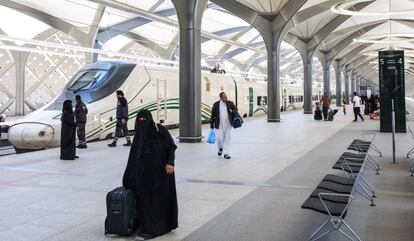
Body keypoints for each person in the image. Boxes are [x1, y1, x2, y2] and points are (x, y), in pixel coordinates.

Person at [122, 109, 178, 240]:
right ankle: (147, 227)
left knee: (159, 201)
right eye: (139, 120)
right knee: (145, 202)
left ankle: (159, 227)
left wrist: (170, 163)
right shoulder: (138, 138)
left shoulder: (159, 130)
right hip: (144, 177)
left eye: (144, 120)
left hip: (161, 176)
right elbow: (133, 158)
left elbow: (171, 147)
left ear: (150, 119)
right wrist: (129, 177)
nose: (142, 122)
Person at [210, 92, 237, 159]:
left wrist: (232, 111)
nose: (226, 98)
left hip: (228, 124)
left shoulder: (230, 103)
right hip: (219, 124)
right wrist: (211, 124)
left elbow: (236, 110)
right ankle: (220, 148)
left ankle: (226, 153)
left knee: (227, 138)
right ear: (221, 97)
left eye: (226, 96)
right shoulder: (216, 105)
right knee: (219, 138)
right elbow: (213, 115)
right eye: (224, 97)